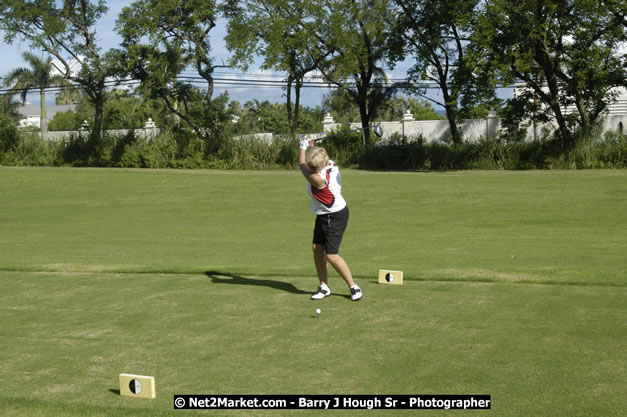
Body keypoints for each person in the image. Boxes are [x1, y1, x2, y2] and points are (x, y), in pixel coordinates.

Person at [298, 138, 362, 301]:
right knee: (317, 248)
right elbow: (314, 160)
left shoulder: (319, 180)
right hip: (323, 214)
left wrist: (302, 147)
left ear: (320, 166)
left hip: (334, 215)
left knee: (332, 255)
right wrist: (313, 148)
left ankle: (354, 287)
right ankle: (324, 286)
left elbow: (301, 165)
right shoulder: (331, 164)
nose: (312, 168)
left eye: (314, 167)